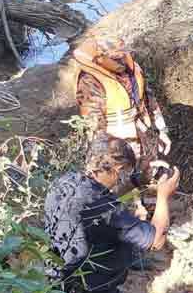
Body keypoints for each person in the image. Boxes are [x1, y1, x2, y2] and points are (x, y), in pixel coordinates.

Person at [44, 135, 180, 293]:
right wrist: (163, 196)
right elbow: (156, 239)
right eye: (123, 173)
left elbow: (98, 196)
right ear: (115, 167)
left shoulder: (63, 183)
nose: (122, 180)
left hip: (57, 287)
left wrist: (137, 181)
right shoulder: (106, 210)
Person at [73, 37, 172, 184]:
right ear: (100, 59)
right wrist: (113, 154)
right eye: (115, 59)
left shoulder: (131, 70)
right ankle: (133, 205)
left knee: (150, 171)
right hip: (116, 144)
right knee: (123, 183)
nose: (122, 62)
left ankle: (153, 200)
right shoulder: (89, 82)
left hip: (143, 133)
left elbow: (148, 99)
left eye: (122, 56)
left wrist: (162, 130)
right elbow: (95, 127)